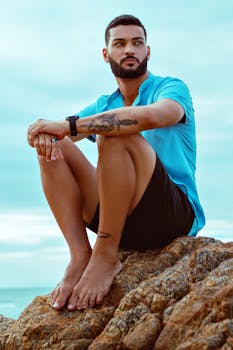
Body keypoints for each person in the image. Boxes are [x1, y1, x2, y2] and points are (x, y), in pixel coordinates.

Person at [27, 14, 205, 311]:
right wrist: (43, 134)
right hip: (121, 216)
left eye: (137, 43)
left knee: (113, 130)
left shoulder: (171, 88)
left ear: (148, 51)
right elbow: (58, 133)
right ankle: (80, 255)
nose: (129, 50)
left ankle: (106, 254)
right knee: (55, 147)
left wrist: (70, 125)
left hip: (171, 216)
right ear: (106, 54)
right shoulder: (104, 102)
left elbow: (153, 116)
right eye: (120, 44)